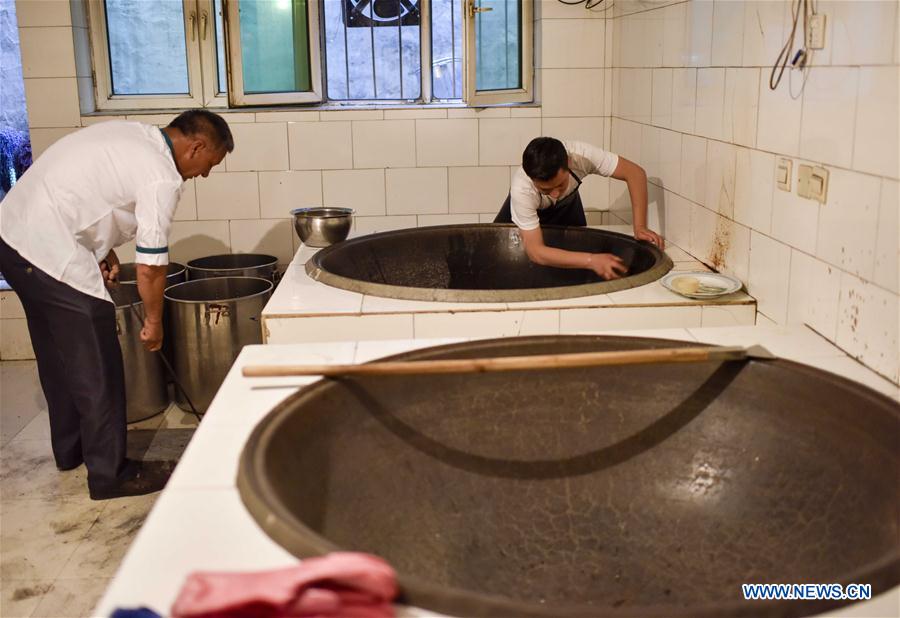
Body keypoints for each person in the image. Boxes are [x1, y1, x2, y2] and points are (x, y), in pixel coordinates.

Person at [0, 110, 233, 500]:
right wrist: (155, 322)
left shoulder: (133, 136)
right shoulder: (162, 175)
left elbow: (89, 192)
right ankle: (110, 474)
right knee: (98, 364)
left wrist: (101, 247)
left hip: (12, 237)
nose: (204, 174)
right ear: (197, 146)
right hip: (50, 248)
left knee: (57, 356)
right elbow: (151, 266)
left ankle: (70, 451)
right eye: (209, 164)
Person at [494, 137, 663, 280]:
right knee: (502, 266)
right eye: (545, 190)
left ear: (568, 163)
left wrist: (640, 226)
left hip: (567, 208)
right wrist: (591, 260)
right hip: (524, 217)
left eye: (561, 185)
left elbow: (635, 173)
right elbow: (536, 252)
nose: (554, 194)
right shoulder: (522, 189)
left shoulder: (582, 155)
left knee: (572, 274)